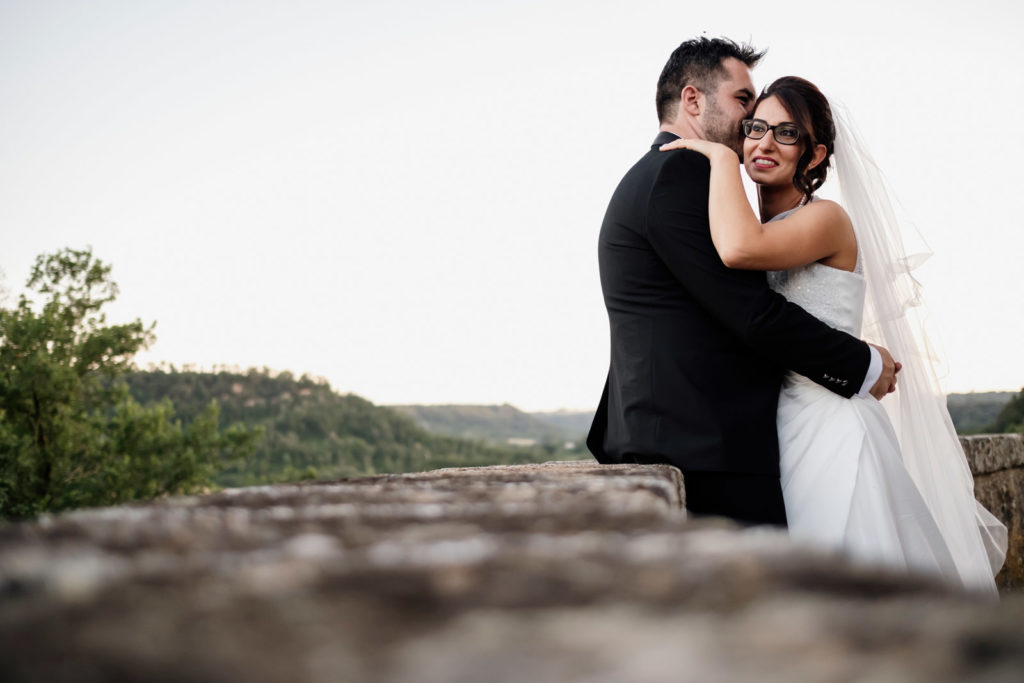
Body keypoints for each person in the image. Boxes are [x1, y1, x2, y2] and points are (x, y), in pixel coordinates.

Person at [660, 76, 1006, 594]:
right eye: (755, 128)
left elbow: (738, 249)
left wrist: (720, 157)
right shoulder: (754, 219)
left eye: (787, 133)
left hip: (832, 427)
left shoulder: (826, 219)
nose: (764, 143)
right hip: (775, 430)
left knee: (843, 589)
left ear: (815, 155)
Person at [586, 37, 899, 527]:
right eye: (743, 103)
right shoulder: (683, 173)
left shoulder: (696, 179)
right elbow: (750, 312)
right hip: (701, 448)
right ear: (693, 100)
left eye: (783, 131)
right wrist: (861, 363)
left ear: (813, 154)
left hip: (735, 441)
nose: (753, 126)